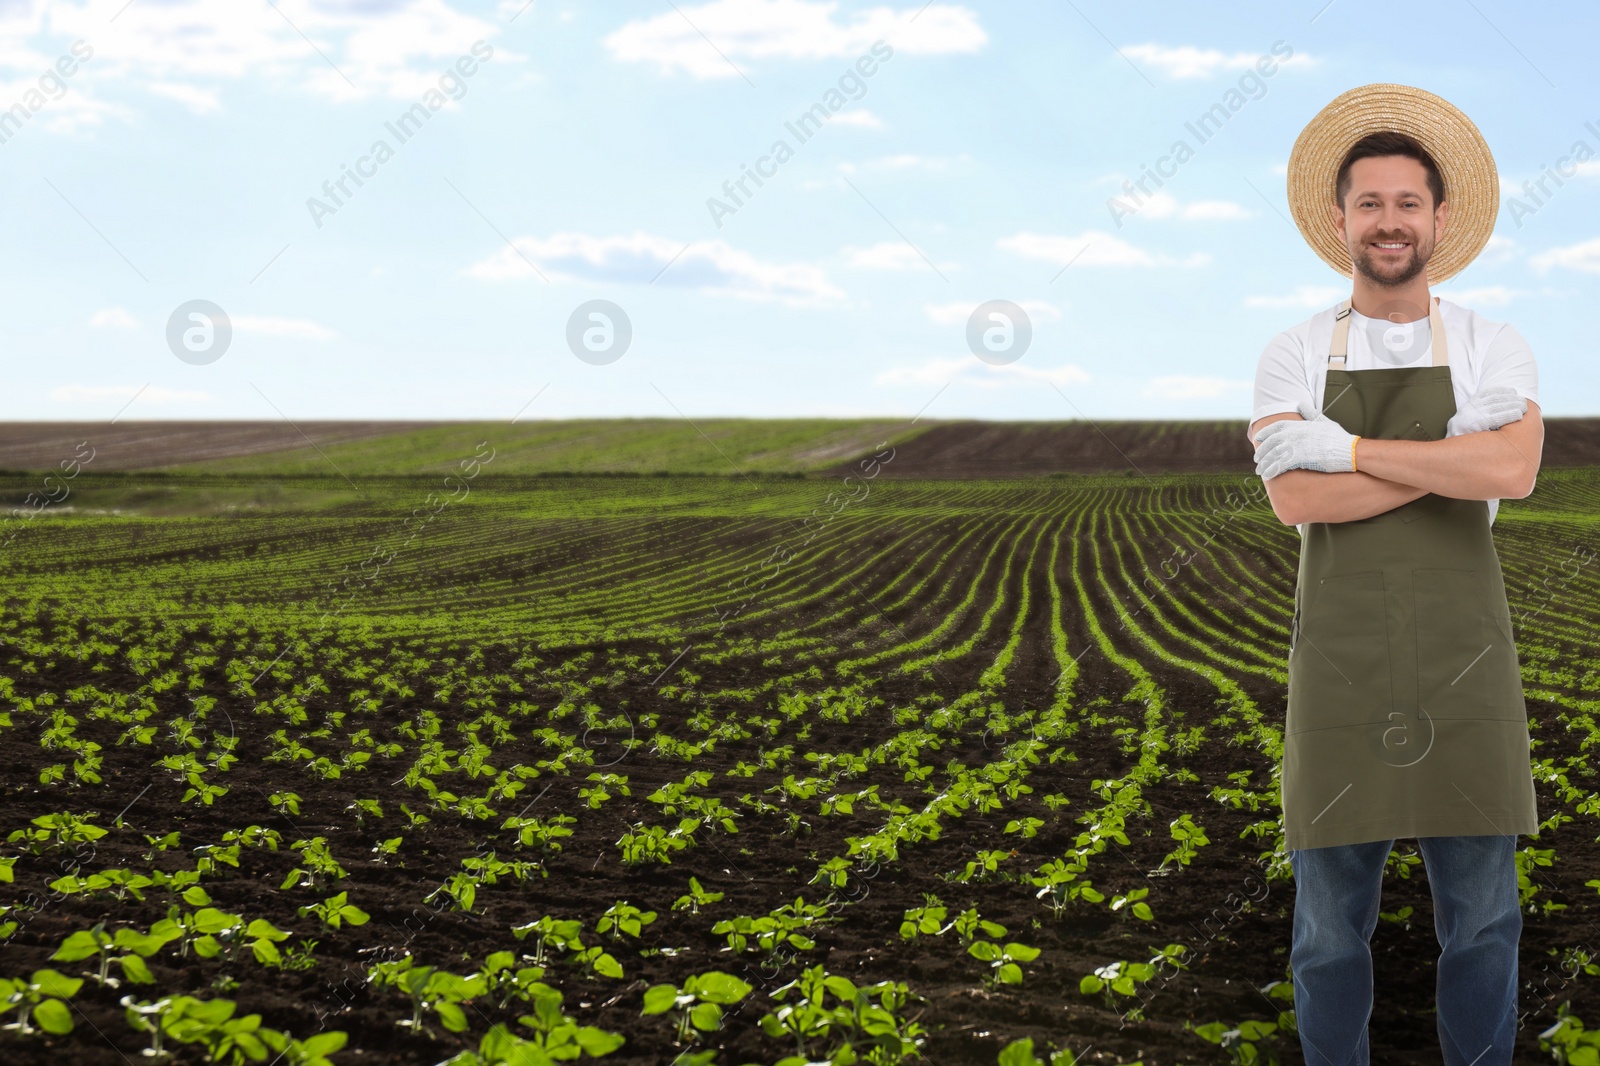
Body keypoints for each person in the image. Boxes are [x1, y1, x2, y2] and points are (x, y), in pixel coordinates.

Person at [1247, 83, 1543, 1066]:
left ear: (1439, 218)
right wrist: (1433, 459)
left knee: (1486, 924)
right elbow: (1295, 501)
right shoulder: (1290, 351)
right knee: (1329, 934)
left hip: (1468, 668)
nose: (1388, 221)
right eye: (1368, 203)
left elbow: (1510, 468)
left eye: (1406, 202)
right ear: (1338, 221)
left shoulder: (1491, 343)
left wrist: (1345, 447)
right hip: (1340, 671)